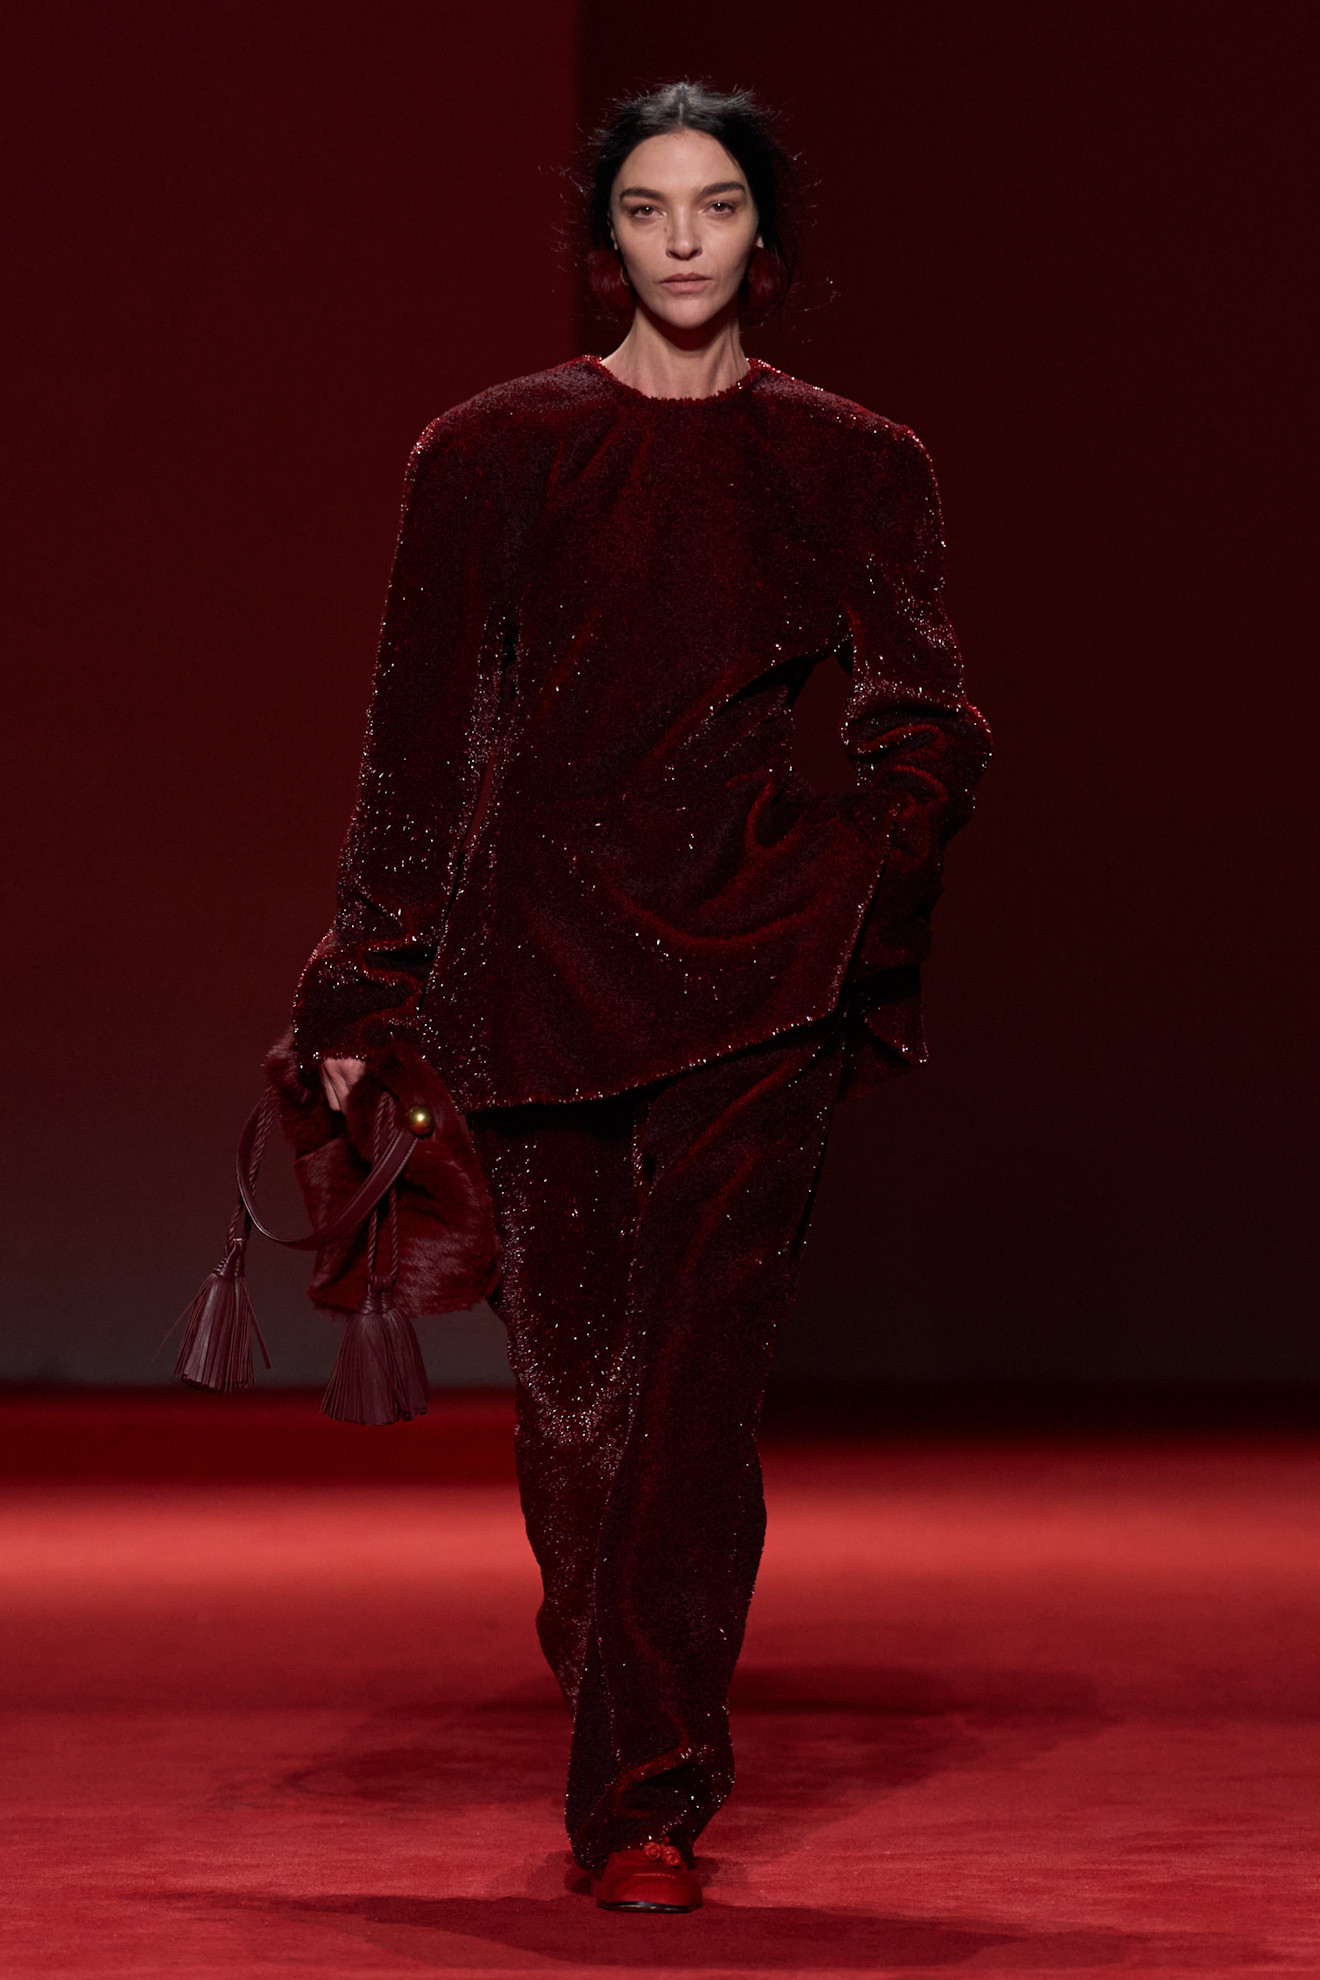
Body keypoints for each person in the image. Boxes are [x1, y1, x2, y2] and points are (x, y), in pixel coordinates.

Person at [295, 81, 991, 1912]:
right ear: (605, 238)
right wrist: (366, 978)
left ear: (769, 237)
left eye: (720, 207)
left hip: (762, 973)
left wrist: (854, 891)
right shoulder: (487, 453)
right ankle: (622, 1699)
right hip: (538, 965)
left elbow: (925, 709)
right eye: (649, 209)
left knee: (697, 1388)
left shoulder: (858, 460)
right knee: (581, 1413)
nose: (685, 240)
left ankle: (645, 1796)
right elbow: (419, 735)